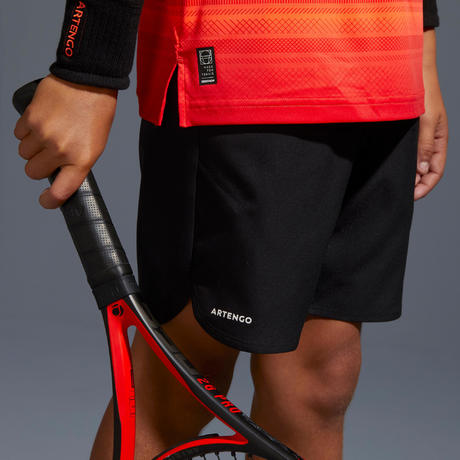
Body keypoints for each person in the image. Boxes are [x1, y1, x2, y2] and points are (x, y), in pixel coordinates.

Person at [13, 1, 448, 459]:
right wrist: (87, 69)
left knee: (319, 377)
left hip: (386, 60)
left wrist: (422, 45)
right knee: (182, 373)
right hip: (243, 55)